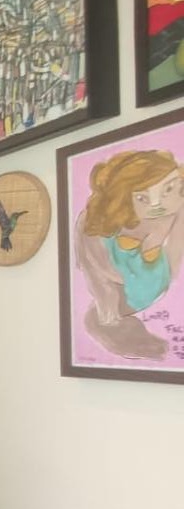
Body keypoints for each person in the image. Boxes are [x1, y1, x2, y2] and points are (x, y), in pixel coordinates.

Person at [74, 149, 184, 359]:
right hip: (132, 289)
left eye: (168, 188)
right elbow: (97, 274)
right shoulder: (99, 227)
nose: (157, 205)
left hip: (139, 286)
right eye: (142, 197)